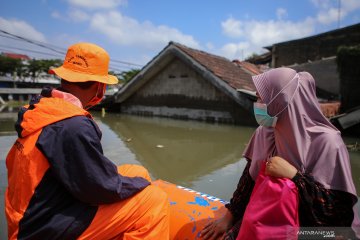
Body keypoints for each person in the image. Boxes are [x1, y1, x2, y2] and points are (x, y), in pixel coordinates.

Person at [5, 42, 170, 240]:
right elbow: (97, 188)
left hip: (30, 214)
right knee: (154, 200)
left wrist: (135, 181)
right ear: (99, 85)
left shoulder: (40, 107)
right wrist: (140, 186)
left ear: (64, 76)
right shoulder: (73, 125)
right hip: (41, 228)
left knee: (137, 171)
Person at [200, 67, 359, 239]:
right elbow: (248, 180)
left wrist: (295, 177)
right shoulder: (265, 132)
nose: (257, 103)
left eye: (261, 98)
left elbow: (337, 214)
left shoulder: (328, 142)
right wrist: (229, 218)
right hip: (266, 216)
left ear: (280, 100)